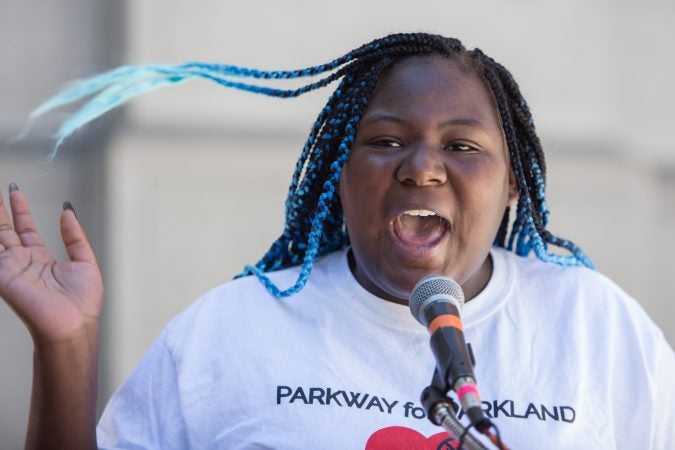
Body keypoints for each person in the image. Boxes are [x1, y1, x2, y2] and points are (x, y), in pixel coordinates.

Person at [0, 33, 673, 449]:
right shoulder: (233, 329)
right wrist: (66, 348)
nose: (421, 167)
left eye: (462, 146)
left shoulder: (595, 326)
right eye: (384, 142)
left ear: (511, 189)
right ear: (338, 180)